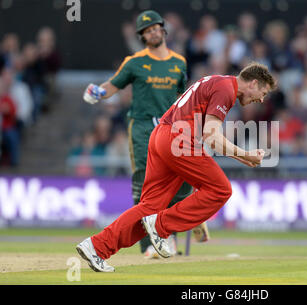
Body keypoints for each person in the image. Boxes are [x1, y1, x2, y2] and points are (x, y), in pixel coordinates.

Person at [76, 62, 276, 272]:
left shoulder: (217, 81)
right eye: (263, 92)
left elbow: (206, 135)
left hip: (161, 135)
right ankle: (161, 225)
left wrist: (244, 158)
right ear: (253, 83)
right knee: (221, 190)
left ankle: (96, 247)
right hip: (178, 140)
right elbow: (211, 135)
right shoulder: (226, 90)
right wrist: (245, 154)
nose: (261, 99)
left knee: (149, 207)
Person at [82, 10, 208, 259]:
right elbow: (113, 86)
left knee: (179, 183)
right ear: (142, 36)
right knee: (144, 185)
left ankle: (169, 233)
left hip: (173, 129)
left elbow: (184, 98)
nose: (152, 32)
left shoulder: (179, 62)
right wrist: (97, 92)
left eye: (155, 27)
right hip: (141, 128)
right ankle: (147, 245)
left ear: (163, 30)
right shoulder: (134, 62)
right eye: (146, 30)